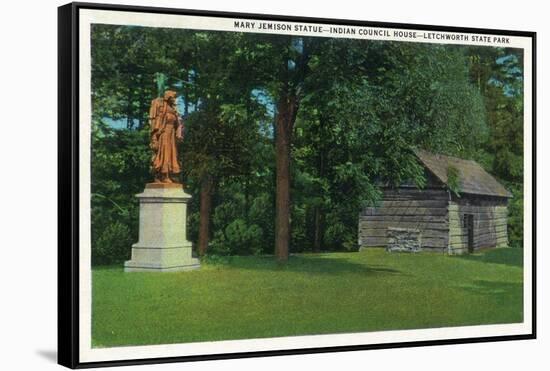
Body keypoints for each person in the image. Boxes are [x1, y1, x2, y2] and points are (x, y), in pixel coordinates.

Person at [148, 90, 184, 183]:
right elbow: (156, 123)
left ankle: (170, 174)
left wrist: (178, 130)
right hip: (164, 134)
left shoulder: (173, 110)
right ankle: (163, 175)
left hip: (171, 135)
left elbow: (177, 124)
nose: (174, 100)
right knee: (165, 155)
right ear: (168, 98)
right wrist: (155, 136)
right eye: (173, 98)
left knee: (172, 155)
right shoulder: (163, 109)